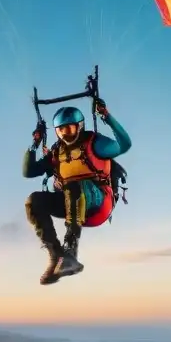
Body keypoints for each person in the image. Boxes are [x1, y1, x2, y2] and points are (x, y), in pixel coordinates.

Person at [23, 98, 132, 284]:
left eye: (71, 128)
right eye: (62, 130)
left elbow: (124, 145)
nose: (66, 133)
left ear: (79, 127)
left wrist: (106, 116)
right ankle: (57, 257)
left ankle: (71, 251)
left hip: (98, 202)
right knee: (34, 201)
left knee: (73, 187)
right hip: (71, 203)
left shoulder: (94, 143)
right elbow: (29, 171)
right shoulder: (57, 153)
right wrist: (35, 143)